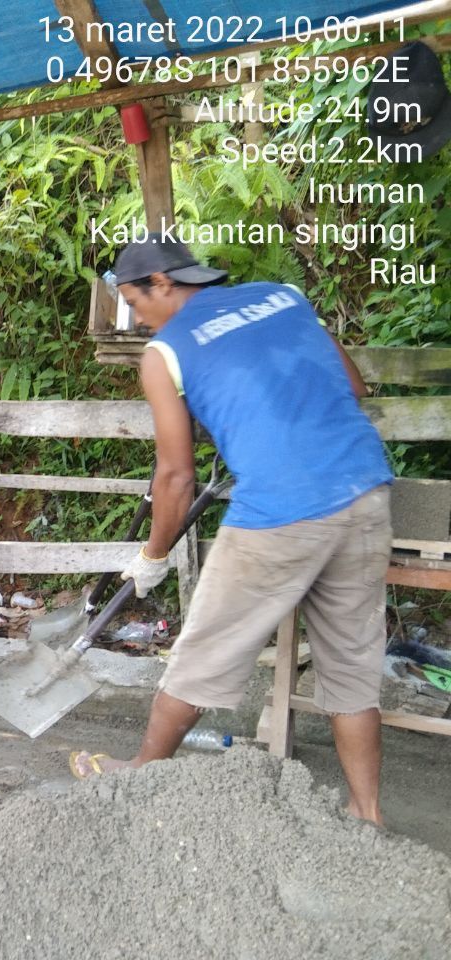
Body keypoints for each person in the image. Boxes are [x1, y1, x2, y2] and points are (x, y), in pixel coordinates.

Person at [69, 235, 393, 826]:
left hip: (280, 512)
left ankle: (141, 774)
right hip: (364, 490)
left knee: (204, 653)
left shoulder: (165, 353)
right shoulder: (282, 296)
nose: (139, 320)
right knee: (351, 665)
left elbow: (174, 476)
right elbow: (353, 388)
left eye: (136, 304)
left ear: (162, 283)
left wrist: (154, 554)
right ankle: (366, 814)